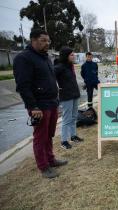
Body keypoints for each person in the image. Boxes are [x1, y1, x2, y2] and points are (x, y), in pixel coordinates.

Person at [13, 29, 67, 179]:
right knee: (40, 136)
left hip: (52, 102)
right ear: (33, 40)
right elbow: (23, 86)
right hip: (39, 106)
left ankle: (51, 159)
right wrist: (33, 107)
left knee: (49, 134)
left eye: (48, 41)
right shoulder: (24, 58)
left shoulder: (45, 57)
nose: (47, 43)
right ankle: (44, 167)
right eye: (43, 40)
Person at [55, 47, 83, 150]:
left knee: (74, 116)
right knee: (66, 118)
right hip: (66, 96)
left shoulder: (70, 66)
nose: (74, 56)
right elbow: (50, 78)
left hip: (74, 94)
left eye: (73, 54)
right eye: (71, 55)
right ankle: (64, 141)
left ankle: (73, 136)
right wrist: (58, 88)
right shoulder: (59, 67)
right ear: (66, 56)